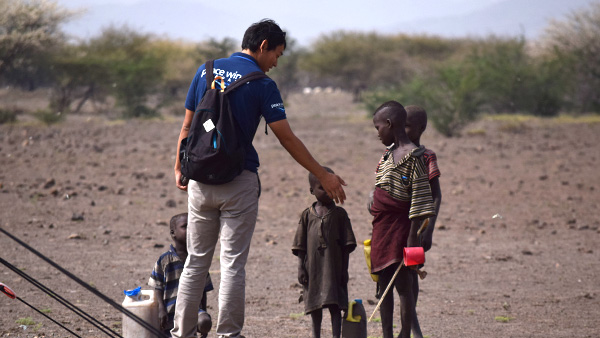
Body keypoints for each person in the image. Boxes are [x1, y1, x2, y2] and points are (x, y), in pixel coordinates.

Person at [172, 19, 347, 338]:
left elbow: (188, 126)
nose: (276, 63)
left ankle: (180, 333)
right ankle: (228, 334)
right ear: (263, 46)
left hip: (199, 180)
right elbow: (287, 139)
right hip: (238, 182)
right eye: (277, 55)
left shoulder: (206, 70)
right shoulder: (262, 84)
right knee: (232, 265)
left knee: (196, 262)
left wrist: (179, 166)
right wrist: (324, 174)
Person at [369, 101, 436, 338]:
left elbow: (420, 198)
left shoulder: (415, 158)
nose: (377, 134)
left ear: (389, 124)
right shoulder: (387, 156)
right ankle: (387, 333)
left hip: (404, 231)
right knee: (383, 286)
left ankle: (405, 333)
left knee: (404, 286)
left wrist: (412, 238)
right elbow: (380, 188)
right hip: (382, 229)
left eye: (378, 128)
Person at [292, 167, 357, 338]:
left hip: (334, 268)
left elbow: (347, 246)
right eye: (322, 187)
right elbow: (300, 246)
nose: (327, 191)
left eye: (330, 187)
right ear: (312, 190)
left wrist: (345, 270)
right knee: (315, 305)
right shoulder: (307, 215)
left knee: (335, 305)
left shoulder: (340, 215)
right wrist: (300, 268)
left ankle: (337, 335)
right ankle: (316, 335)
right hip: (313, 269)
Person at [404, 105, 442, 338]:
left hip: (416, 228)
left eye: (406, 126)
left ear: (421, 129)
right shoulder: (393, 155)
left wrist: (429, 228)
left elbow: (436, 194)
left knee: (412, 271)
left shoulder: (427, 157)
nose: (401, 130)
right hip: (394, 226)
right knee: (390, 272)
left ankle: (412, 325)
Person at [149, 213, 213, 338]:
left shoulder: (199, 260)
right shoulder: (164, 260)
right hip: (170, 311)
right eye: (185, 226)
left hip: (193, 311)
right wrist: (161, 309)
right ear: (173, 233)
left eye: (193, 226)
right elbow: (157, 287)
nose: (190, 229)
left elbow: (203, 289)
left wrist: (204, 312)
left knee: (204, 320)